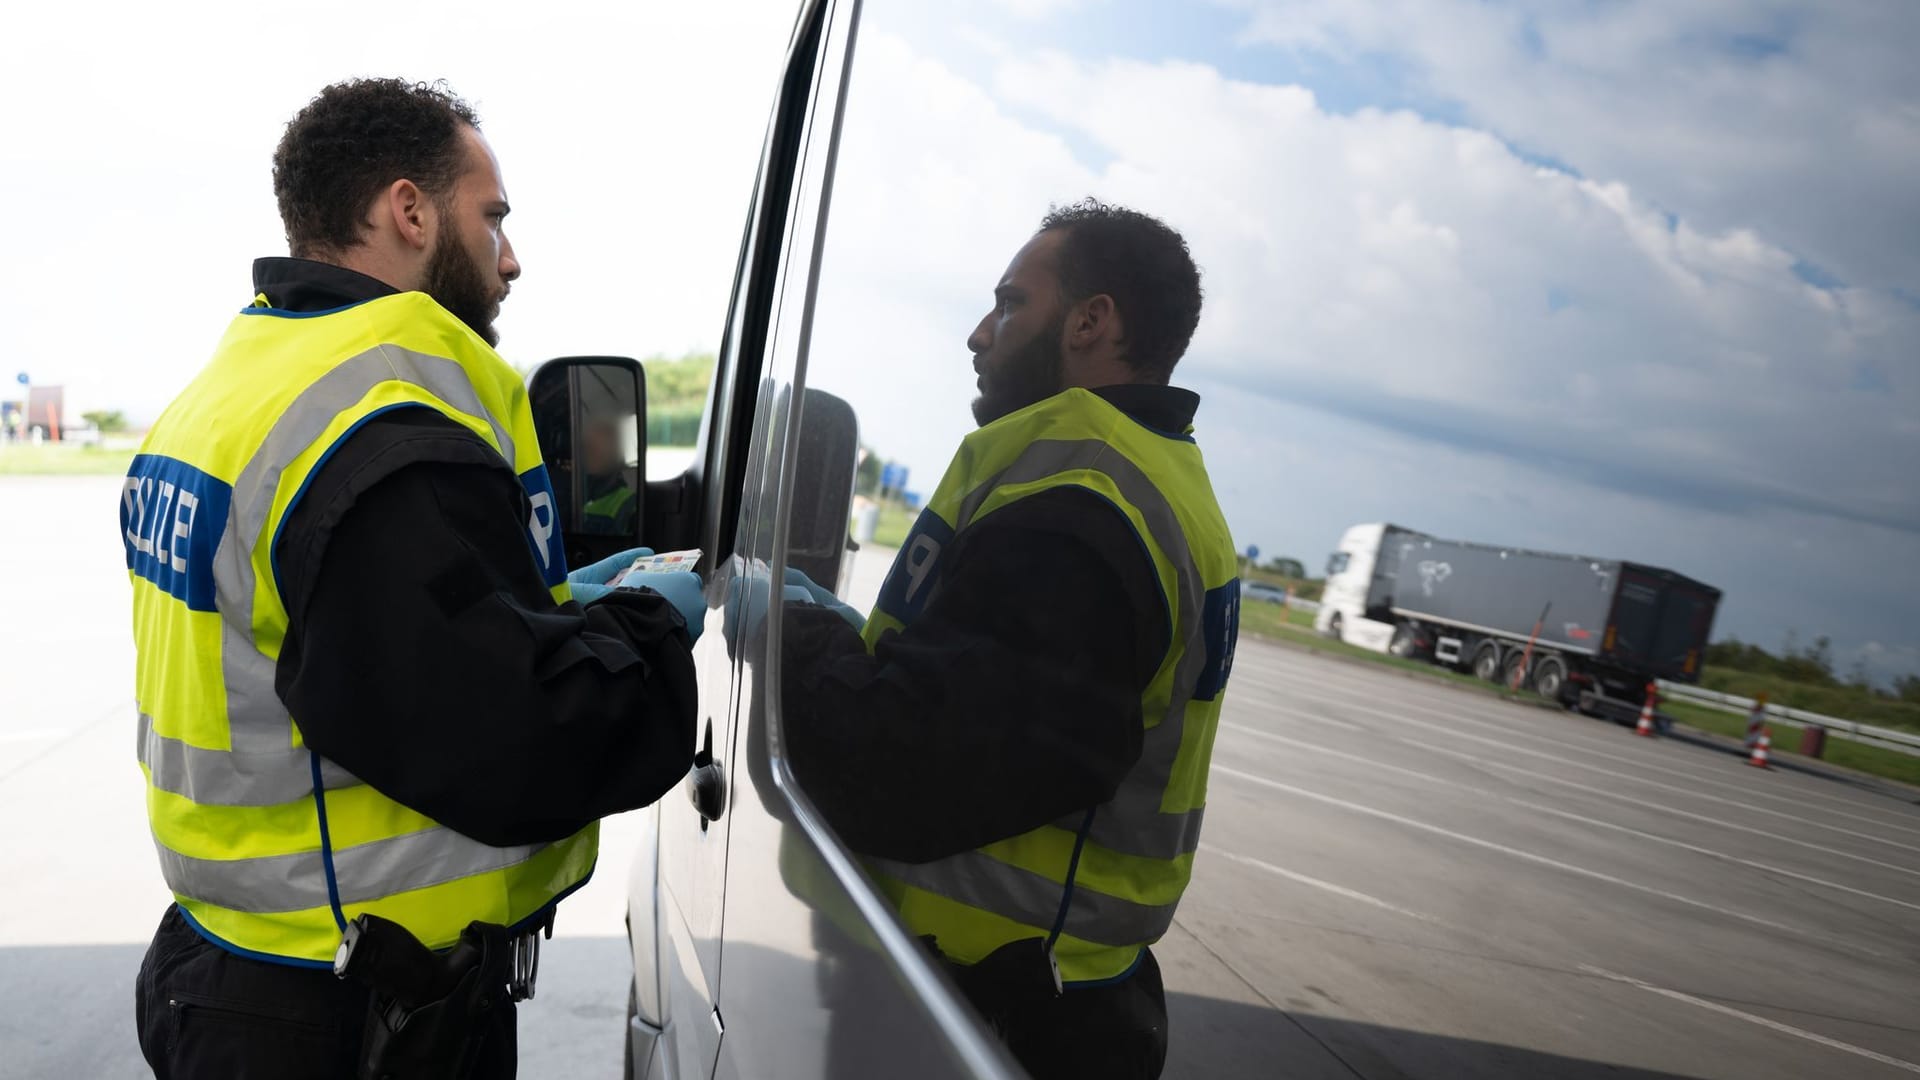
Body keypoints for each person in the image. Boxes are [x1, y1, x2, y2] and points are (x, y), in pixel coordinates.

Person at [123, 78, 704, 1079]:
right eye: (494, 219)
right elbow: (511, 735)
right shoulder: (381, 413)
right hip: (345, 1014)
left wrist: (566, 605)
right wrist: (652, 622)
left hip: (235, 962)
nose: (510, 257)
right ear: (409, 211)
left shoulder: (234, 388)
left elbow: (355, 643)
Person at [781, 199, 1241, 1079]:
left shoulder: (1077, 500)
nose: (978, 333)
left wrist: (796, 632)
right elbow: (981, 701)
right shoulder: (1159, 476)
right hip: (1053, 991)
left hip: (985, 1010)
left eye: (1007, 304)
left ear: (1089, 320)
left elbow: (900, 768)